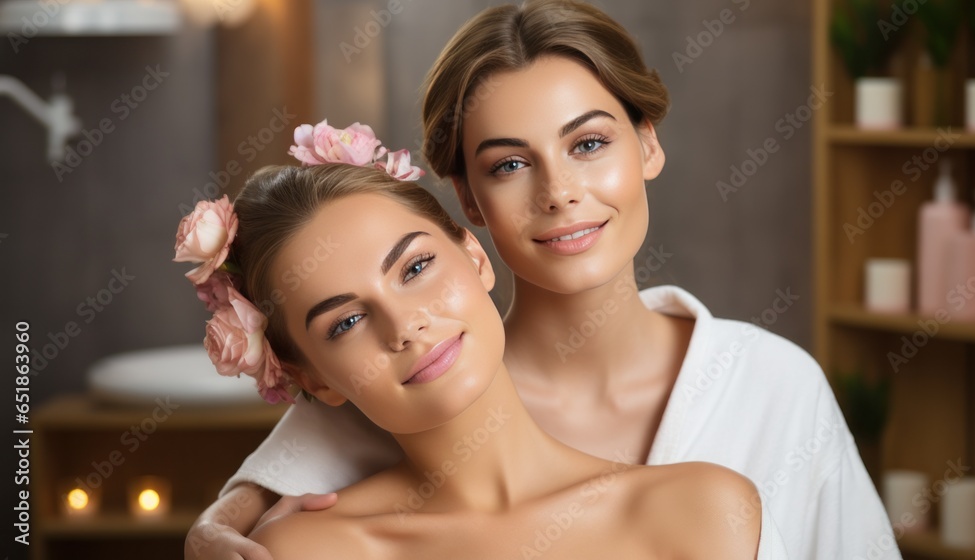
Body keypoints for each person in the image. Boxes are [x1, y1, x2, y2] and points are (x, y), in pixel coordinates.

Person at [185, 2, 898, 559]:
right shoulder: (421, 373)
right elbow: (261, 489)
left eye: (589, 143)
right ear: (468, 207)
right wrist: (216, 523)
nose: (559, 192)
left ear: (647, 143)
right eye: (507, 165)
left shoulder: (773, 387)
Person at [176, 155, 780, 557]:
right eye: (348, 321)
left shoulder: (701, 512)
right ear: (314, 379)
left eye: (415, 268)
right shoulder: (308, 551)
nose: (405, 324)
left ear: (475, 257)